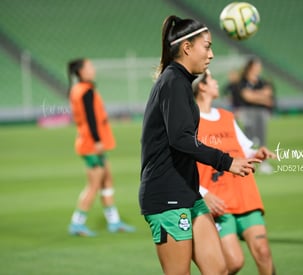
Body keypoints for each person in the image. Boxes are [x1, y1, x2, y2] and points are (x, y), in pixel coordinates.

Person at [139, 15, 261, 275]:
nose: (212, 54)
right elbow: (181, 139)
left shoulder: (180, 81)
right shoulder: (173, 82)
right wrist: (227, 161)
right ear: (187, 48)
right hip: (166, 195)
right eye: (207, 46)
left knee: (219, 269)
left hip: (188, 192)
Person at [193, 69, 277, 275]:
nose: (216, 82)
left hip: (245, 194)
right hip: (219, 203)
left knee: (263, 253)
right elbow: (179, 166)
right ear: (201, 86)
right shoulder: (190, 121)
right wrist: (203, 194)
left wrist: (258, 153)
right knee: (233, 263)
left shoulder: (226, 116)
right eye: (211, 79)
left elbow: (243, 148)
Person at [67, 58, 135, 237]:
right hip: (91, 144)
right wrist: (97, 141)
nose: (93, 69)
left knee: (107, 181)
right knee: (93, 185)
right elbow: (91, 119)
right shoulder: (86, 91)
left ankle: (114, 221)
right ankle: (77, 223)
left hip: (89, 142)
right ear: (81, 72)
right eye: (89, 66)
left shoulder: (77, 89)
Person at [235, 57, 275, 174]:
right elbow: (247, 96)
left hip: (260, 113)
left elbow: (268, 94)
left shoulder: (262, 81)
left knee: (262, 137)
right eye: (256, 66)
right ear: (250, 67)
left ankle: (264, 163)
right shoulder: (243, 81)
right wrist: (261, 97)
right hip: (247, 112)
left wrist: (255, 96)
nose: (259, 69)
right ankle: (248, 161)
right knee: (248, 138)